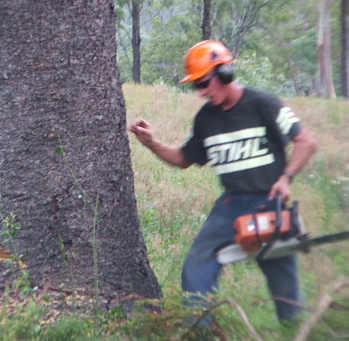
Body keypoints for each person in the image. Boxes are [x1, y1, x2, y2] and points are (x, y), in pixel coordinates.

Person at [129, 40, 318, 323]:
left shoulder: (263, 104)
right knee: (196, 267)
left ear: (225, 72)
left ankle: (296, 335)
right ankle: (201, 337)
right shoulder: (206, 118)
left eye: (204, 83)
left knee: (283, 281)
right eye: (196, 86)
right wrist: (151, 143)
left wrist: (286, 179)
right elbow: (183, 158)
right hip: (230, 205)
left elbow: (306, 142)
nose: (202, 92)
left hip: (268, 202)